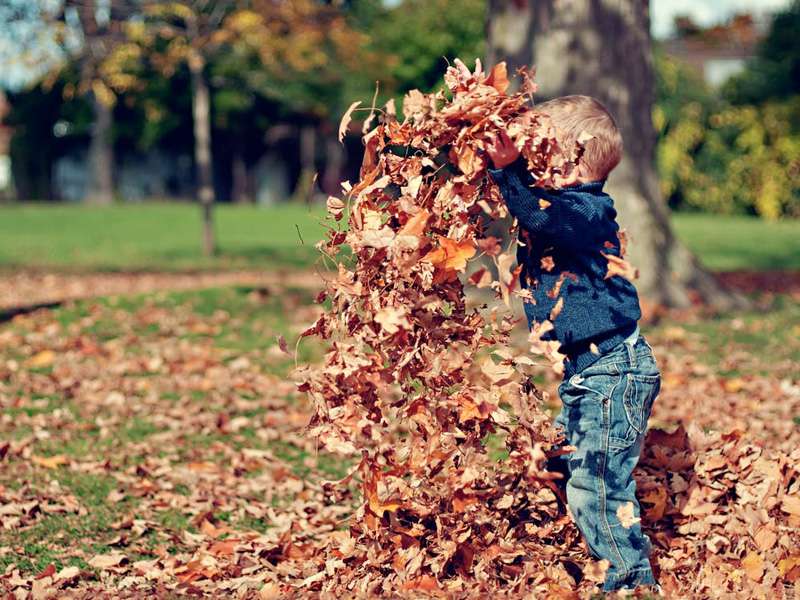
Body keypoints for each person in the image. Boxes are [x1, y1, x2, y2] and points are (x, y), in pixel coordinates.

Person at [486, 95, 662, 594]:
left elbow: (539, 216)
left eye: (539, 155)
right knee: (563, 460)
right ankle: (576, 544)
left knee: (599, 487)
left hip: (613, 372)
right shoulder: (564, 207)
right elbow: (530, 208)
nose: (529, 163)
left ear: (568, 161)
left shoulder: (585, 211)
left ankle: (630, 581)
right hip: (591, 373)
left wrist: (508, 173)